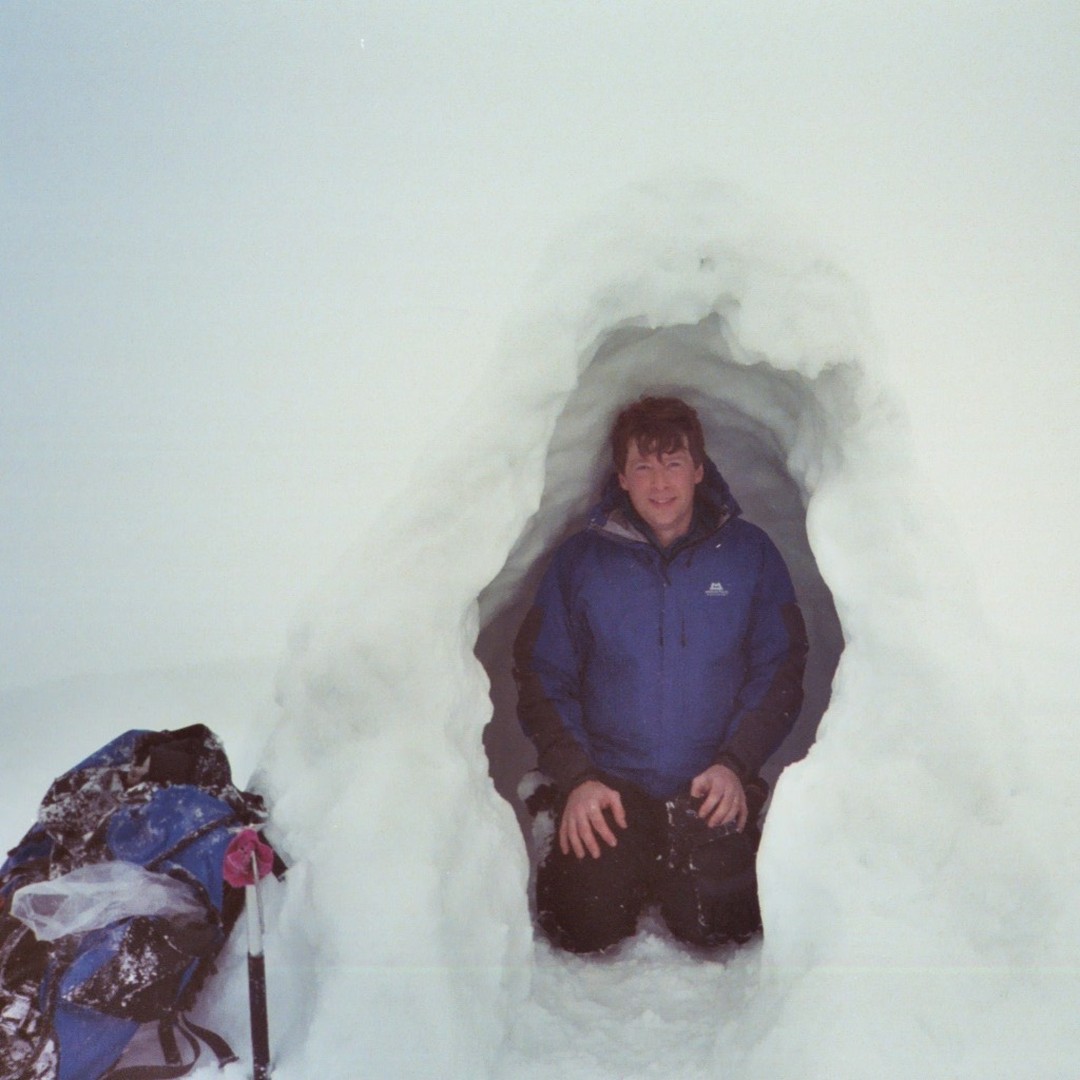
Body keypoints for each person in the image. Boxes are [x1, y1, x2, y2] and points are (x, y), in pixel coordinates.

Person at [513, 395, 808, 953]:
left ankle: (719, 836)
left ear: (699, 470)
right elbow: (542, 673)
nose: (660, 482)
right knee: (581, 926)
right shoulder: (582, 562)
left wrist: (736, 765)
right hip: (609, 783)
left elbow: (782, 664)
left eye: (673, 462)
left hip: (708, 783)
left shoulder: (749, 555)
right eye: (643, 466)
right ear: (621, 478)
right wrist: (577, 778)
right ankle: (562, 818)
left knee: (722, 928)